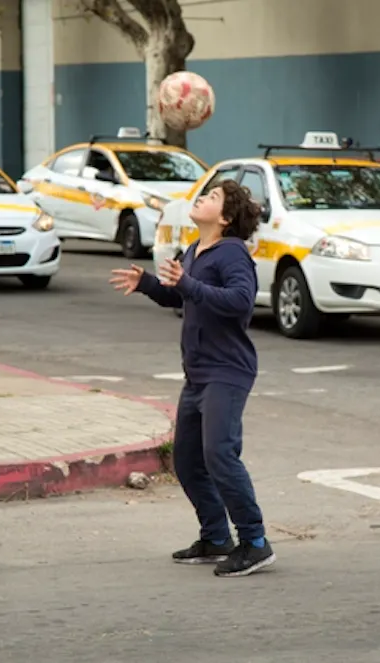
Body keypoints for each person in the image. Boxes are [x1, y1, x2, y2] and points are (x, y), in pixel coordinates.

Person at [109, 179, 275, 578]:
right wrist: (148, 284)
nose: (202, 198)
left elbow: (240, 301)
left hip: (227, 371)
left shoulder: (232, 253)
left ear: (226, 217)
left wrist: (188, 283)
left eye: (213, 197)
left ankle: (254, 542)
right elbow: (181, 294)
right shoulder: (196, 249)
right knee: (186, 460)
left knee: (219, 454)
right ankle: (216, 537)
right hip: (198, 373)